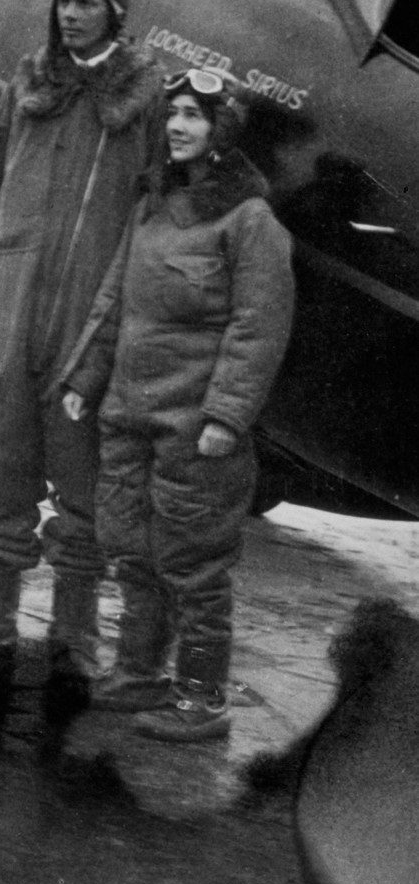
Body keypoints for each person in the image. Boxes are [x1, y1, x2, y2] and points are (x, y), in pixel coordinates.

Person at [0, 0, 164, 680]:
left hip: (89, 312)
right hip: (9, 300)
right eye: (63, 2)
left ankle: (74, 632)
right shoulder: (27, 84)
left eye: (86, 3)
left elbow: (152, 215)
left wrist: (119, 317)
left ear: (114, 12)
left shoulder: (148, 97)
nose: (71, 13)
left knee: (83, 471)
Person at [61, 67, 294, 740]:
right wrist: (85, 378)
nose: (178, 126)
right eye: (174, 114)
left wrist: (226, 415)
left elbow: (260, 327)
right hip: (129, 413)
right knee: (129, 546)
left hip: (195, 426)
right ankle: (137, 675)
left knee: (193, 562)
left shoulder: (250, 221)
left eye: (195, 115)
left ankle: (200, 698)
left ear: (221, 131)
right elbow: (114, 300)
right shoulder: (152, 204)